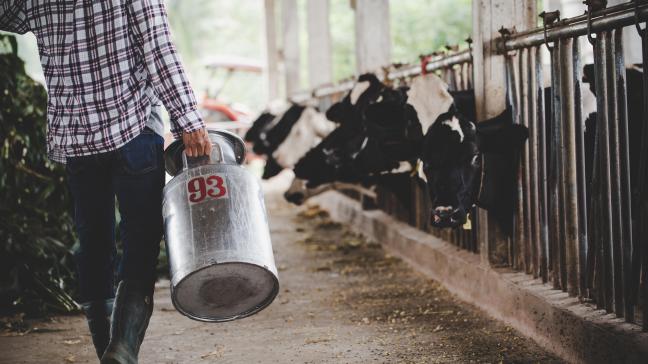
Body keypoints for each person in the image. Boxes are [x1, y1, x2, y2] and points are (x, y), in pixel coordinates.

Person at [1, 1, 211, 363]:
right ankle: (124, 348)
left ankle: (109, 353)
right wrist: (188, 118)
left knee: (94, 241)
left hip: (77, 136)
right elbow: (158, 46)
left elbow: (8, 16)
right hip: (133, 128)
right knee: (141, 239)